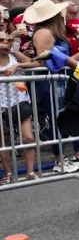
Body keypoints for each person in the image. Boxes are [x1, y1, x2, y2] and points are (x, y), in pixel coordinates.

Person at [17, 0, 79, 172]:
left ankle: (76, 155)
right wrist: (74, 61)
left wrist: (74, 60)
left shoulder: (51, 32)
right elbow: (45, 60)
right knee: (57, 117)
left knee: (67, 114)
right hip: (51, 80)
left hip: (60, 77)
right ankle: (60, 159)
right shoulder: (43, 33)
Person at [0, 31, 37, 184]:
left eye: (8, 40)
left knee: (28, 137)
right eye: (1, 40)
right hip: (1, 105)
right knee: (3, 141)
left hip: (20, 101)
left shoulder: (15, 55)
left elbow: (36, 63)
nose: (6, 43)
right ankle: (8, 173)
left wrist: (17, 65)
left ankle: (30, 171)